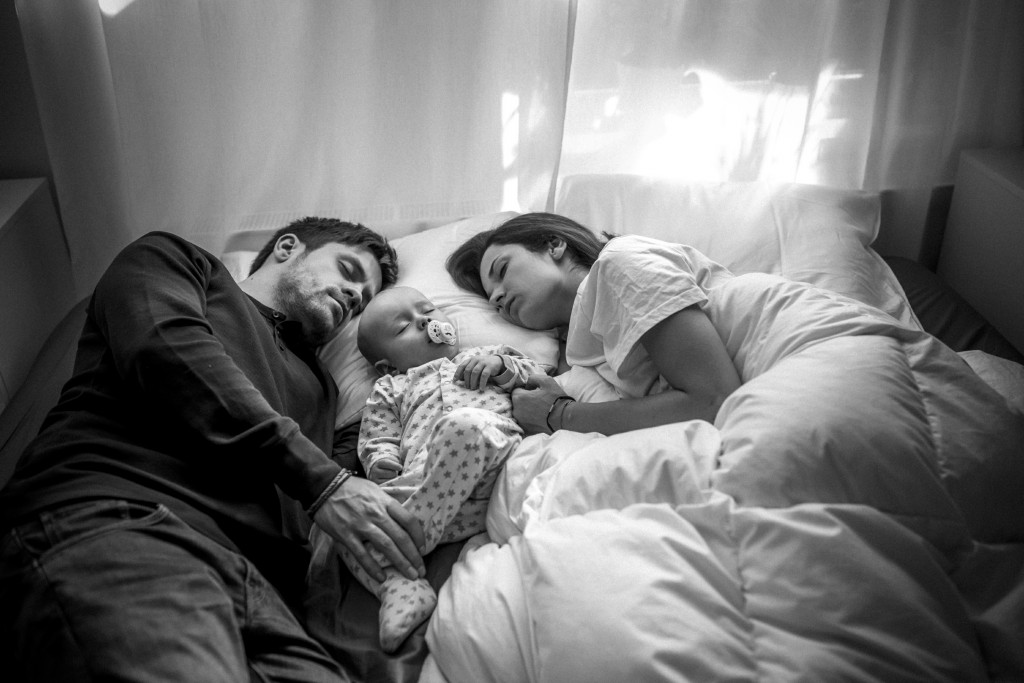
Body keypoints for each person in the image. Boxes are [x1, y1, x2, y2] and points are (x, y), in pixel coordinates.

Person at [0, 218, 427, 681]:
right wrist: (325, 484)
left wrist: (420, 383)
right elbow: (164, 350)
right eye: (348, 270)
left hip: (264, 598)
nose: (354, 295)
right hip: (125, 521)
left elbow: (349, 472)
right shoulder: (178, 261)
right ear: (288, 247)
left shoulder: (323, 388)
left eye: (363, 299)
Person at [316, 285, 547, 652]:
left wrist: (501, 367)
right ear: (387, 365)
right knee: (340, 521)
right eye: (404, 327)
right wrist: (381, 462)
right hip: (437, 490)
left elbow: (536, 380)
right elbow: (377, 435)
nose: (424, 321)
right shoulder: (390, 387)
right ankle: (399, 585)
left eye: (427, 310)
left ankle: (404, 543)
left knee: (464, 425)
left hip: (495, 458)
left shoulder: (484, 355)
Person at [445, 211, 745, 436]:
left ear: (554, 245)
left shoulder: (620, 264)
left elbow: (714, 401)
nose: (497, 297)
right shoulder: (585, 356)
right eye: (492, 301)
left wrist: (560, 415)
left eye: (502, 270)